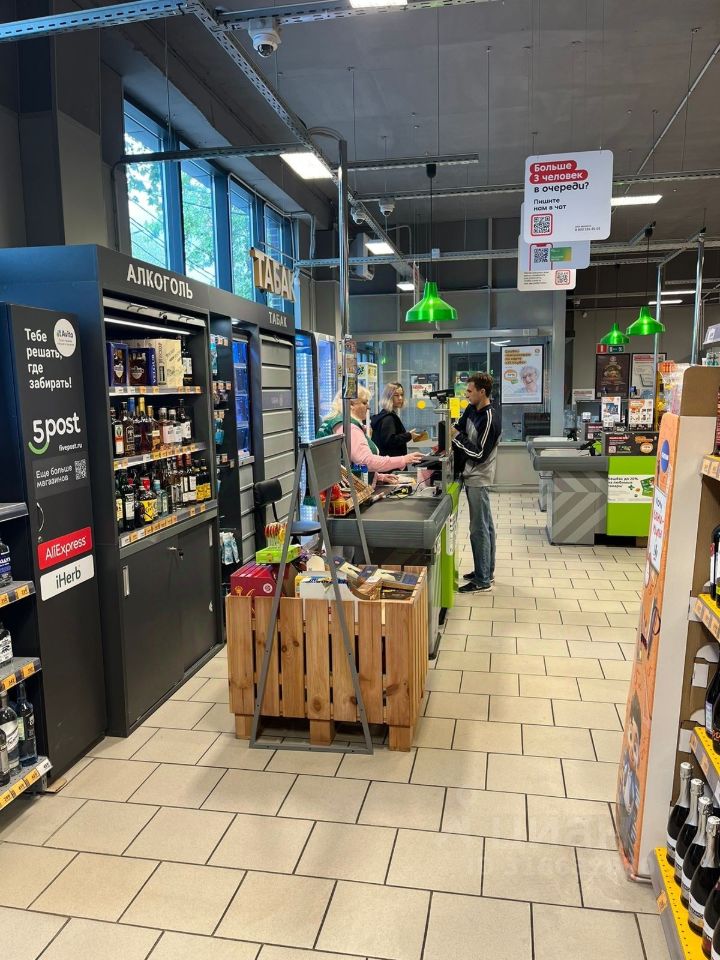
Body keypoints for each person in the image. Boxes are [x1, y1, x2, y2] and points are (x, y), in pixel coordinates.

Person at [452, 372, 501, 593]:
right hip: (470, 473)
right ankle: (485, 571)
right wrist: (455, 433)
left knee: (479, 529)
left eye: (470, 391)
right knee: (486, 525)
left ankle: (482, 580)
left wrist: (456, 437)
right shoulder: (472, 409)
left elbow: (479, 454)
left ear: (482, 392)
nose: (466, 395)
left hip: (478, 477)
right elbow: (460, 427)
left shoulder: (490, 419)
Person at [317, 387, 423, 483]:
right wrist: (403, 459)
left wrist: (379, 477)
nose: (368, 407)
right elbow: (366, 461)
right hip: (337, 493)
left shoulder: (335, 421)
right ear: (351, 404)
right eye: (364, 403)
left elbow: (353, 463)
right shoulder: (348, 426)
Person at [370, 382, 422, 457]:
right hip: (391, 461)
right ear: (388, 397)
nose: (400, 398)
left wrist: (408, 435)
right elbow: (390, 441)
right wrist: (408, 435)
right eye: (396, 395)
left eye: (402, 395)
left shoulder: (385, 415)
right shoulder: (388, 418)